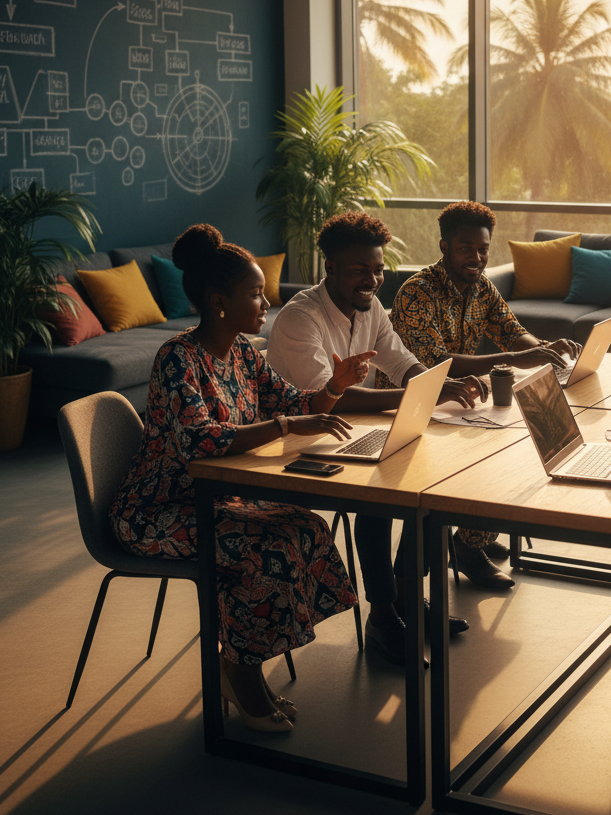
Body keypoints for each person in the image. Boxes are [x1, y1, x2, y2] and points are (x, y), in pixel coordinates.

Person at [109, 224, 374, 733]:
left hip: (215, 502)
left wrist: (334, 388)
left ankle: (242, 662)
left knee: (304, 527)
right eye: (254, 293)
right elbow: (199, 441)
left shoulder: (247, 353)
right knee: (260, 552)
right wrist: (287, 425)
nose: (266, 301)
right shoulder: (177, 359)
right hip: (155, 514)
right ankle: (240, 672)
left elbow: (299, 406)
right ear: (218, 301)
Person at [267, 212, 483, 663]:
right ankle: (383, 619)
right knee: (379, 497)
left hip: (341, 436)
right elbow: (330, 400)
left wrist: (434, 385)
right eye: (359, 270)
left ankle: (407, 600)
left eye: (378, 269)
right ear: (329, 269)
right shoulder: (300, 318)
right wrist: (413, 397)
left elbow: (402, 362)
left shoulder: (371, 310)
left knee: (429, 482)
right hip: (289, 445)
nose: (373, 279)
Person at [380, 201, 583, 590]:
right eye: (465, 248)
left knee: (516, 451)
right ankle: (423, 580)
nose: (476, 257)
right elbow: (435, 366)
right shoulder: (416, 294)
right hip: (410, 412)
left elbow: (510, 330)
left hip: (460, 405)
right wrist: (518, 356)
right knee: (472, 471)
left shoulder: (481, 286)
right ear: (444, 247)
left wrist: (543, 348)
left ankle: (468, 542)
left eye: (483, 249)